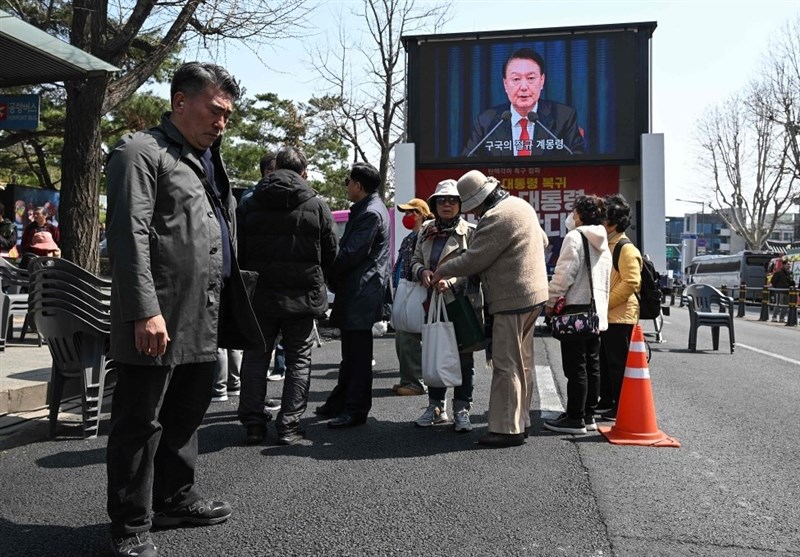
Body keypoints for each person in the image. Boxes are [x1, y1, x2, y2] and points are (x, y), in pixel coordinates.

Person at [104, 62, 264, 557]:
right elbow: (127, 236)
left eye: (228, 115)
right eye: (216, 110)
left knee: (188, 412)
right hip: (160, 312)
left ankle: (174, 497)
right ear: (180, 101)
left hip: (206, 310)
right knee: (139, 420)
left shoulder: (208, 160)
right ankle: (130, 527)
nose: (222, 123)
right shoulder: (140, 153)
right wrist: (144, 310)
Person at [433, 170, 549, 448]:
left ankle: (507, 429)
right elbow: (543, 241)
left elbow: (475, 259)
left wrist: (441, 270)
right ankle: (522, 419)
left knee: (506, 363)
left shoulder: (497, 216)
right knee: (524, 362)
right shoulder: (521, 206)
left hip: (511, 298)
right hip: (535, 295)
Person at [237, 145, 338, 446]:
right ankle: (289, 426)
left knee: (256, 358)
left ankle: (253, 425)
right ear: (303, 172)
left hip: (260, 296)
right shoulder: (316, 205)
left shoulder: (249, 203)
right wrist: (328, 284)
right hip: (302, 297)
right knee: (298, 360)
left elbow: (236, 247)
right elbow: (331, 251)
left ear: (277, 167)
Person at [315, 162, 391, 428]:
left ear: (358, 185)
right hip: (360, 289)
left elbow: (351, 253)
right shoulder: (371, 208)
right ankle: (341, 401)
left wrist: (326, 267)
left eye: (348, 181)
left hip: (362, 290)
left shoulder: (370, 213)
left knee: (357, 355)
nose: (346, 185)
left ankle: (355, 409)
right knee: (351, 353)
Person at [411, 180, 484, 431]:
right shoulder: (426, 230)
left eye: (453, 200)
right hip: (432, 302)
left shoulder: (471, 231)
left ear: (461, 204)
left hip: (461, 303)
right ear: (434, 204)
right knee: (435, 352)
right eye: (442, 200)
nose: (447, 204)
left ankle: (462, 409)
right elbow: (415, 259)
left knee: (464, 359)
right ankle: (436, 406)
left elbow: (477, 268)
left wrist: (451, 280)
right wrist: (422, 272)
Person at [543, 195, 611, 435]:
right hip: (596, 313)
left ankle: (575, 418)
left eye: (573, 212)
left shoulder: (575, 237)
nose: (570, 216)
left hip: (576, 311)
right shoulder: (604, 242)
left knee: (575, 367)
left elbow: (563, 275)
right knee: (592, 365)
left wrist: (550, 304)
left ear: (579, 215)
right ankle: (589, 414)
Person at [462, 48, 585, 158]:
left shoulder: (564, 117)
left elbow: (578, 160)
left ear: (542, 81)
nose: (524, 87)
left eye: (531, 78)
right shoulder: (486, 121)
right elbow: (466, 163)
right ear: (505, 84)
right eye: (516, 79)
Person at [597, 194, 642, 420]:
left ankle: (620, 406)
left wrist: (605, 304)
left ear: (613, 223)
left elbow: (632, 282)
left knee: (618, 364)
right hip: (609, 315)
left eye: (603, 218)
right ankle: (606, 400)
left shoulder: (625, 248)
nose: (599, 222)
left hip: (620, 316)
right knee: (605, 362)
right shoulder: (609, 244)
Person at [391, 197, 433, 397]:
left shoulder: (426, 234)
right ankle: (407, 379)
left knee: (410, 337)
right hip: (406, 290)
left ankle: (416, 382)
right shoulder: (410, 237)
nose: (406, 216)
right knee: (402, 336)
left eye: (410, 212)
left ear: (421, 214)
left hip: (419, 291)